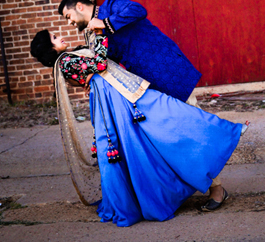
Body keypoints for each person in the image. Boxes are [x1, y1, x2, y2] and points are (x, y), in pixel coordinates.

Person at [30, 29, 247, 227]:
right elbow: (100, 64)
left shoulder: (70, 57)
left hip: (117, 96)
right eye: (55, 38)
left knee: (159, 123)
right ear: (50, 48)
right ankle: (225, 131)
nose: (61, 36)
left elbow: (97, 65)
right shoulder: (65, 61)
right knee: (163, 118)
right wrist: (100, 35)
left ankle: (224, 131)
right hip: (116, 99)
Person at [58, 0, 227, 211]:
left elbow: (138, 10)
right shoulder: (91, 35)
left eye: (68, 16)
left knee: (193, 129)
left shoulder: (112, 4)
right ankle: (185, 188)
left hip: (169, 73)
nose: (69, 22)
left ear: (79, 6)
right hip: (145, 88)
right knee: (171, 139)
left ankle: (218, 188)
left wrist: (105, 23)